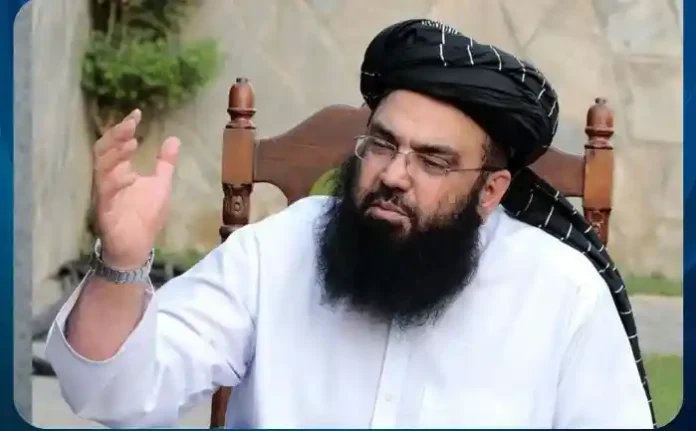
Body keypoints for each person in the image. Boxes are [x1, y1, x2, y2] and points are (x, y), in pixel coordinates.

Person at [45, 19, 655, 429]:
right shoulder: (280, 250)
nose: (394, 175)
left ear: (490, 191)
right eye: (383, 144)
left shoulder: (563, 293)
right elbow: (113, 393)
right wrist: (121, 262)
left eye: (433, 160)